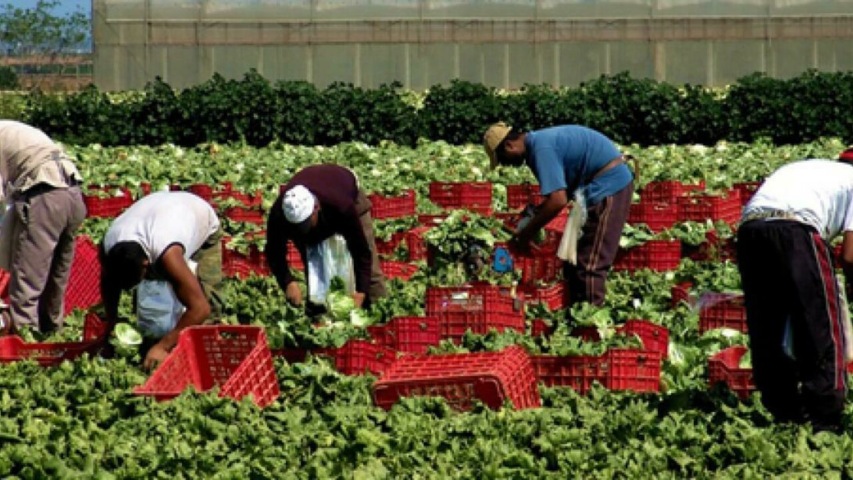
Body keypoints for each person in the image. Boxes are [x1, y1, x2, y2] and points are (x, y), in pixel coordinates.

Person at [736, 148, 853, 433]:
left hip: (750, 230)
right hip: (796, 230)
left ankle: (782, 410)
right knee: (821, 323)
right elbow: (851, 256)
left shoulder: (816, 170)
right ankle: (826, 420)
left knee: (768, 324)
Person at [483, 122, 633, 309]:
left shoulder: (541, 149)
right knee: (574, 262)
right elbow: (560, 192)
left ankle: (591, 324)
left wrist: (526, 234)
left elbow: (558, 201)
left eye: (504, 159)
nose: (507, 165)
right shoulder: (537, 144)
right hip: (596, 188)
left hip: (609, 188)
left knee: (590, 264)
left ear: (509, 146)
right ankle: (576, 311)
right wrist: (535, 214)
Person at [100, 191, 223, 369]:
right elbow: (109, 284)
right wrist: (111, 323)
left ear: (145, 264)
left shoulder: (168, 255)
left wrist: (163, 346)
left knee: (204, 299)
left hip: (198, 216)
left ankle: (205, 360)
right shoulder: (109, 247)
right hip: (159, 214)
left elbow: (201, 308)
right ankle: (154, 342)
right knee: (155, 304)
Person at [0, 120, 86, 334]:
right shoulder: (9, 128)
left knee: (27, 281)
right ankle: (52, 335)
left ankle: (26, 343)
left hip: (45, 195)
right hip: (73, 194)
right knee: (56, 278)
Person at [266, 164, 387, 310]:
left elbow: (360, 250)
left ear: (316, 209)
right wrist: (287, 282)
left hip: (348, 191)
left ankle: (381, 316)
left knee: (371, 274)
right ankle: (320, 316)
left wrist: (361, 292)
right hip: (321, 189)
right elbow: (274, 251)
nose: (302, 229)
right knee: (315, 271)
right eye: (297, 226)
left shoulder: (341, 206)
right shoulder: (279, 214)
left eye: (305, 223)